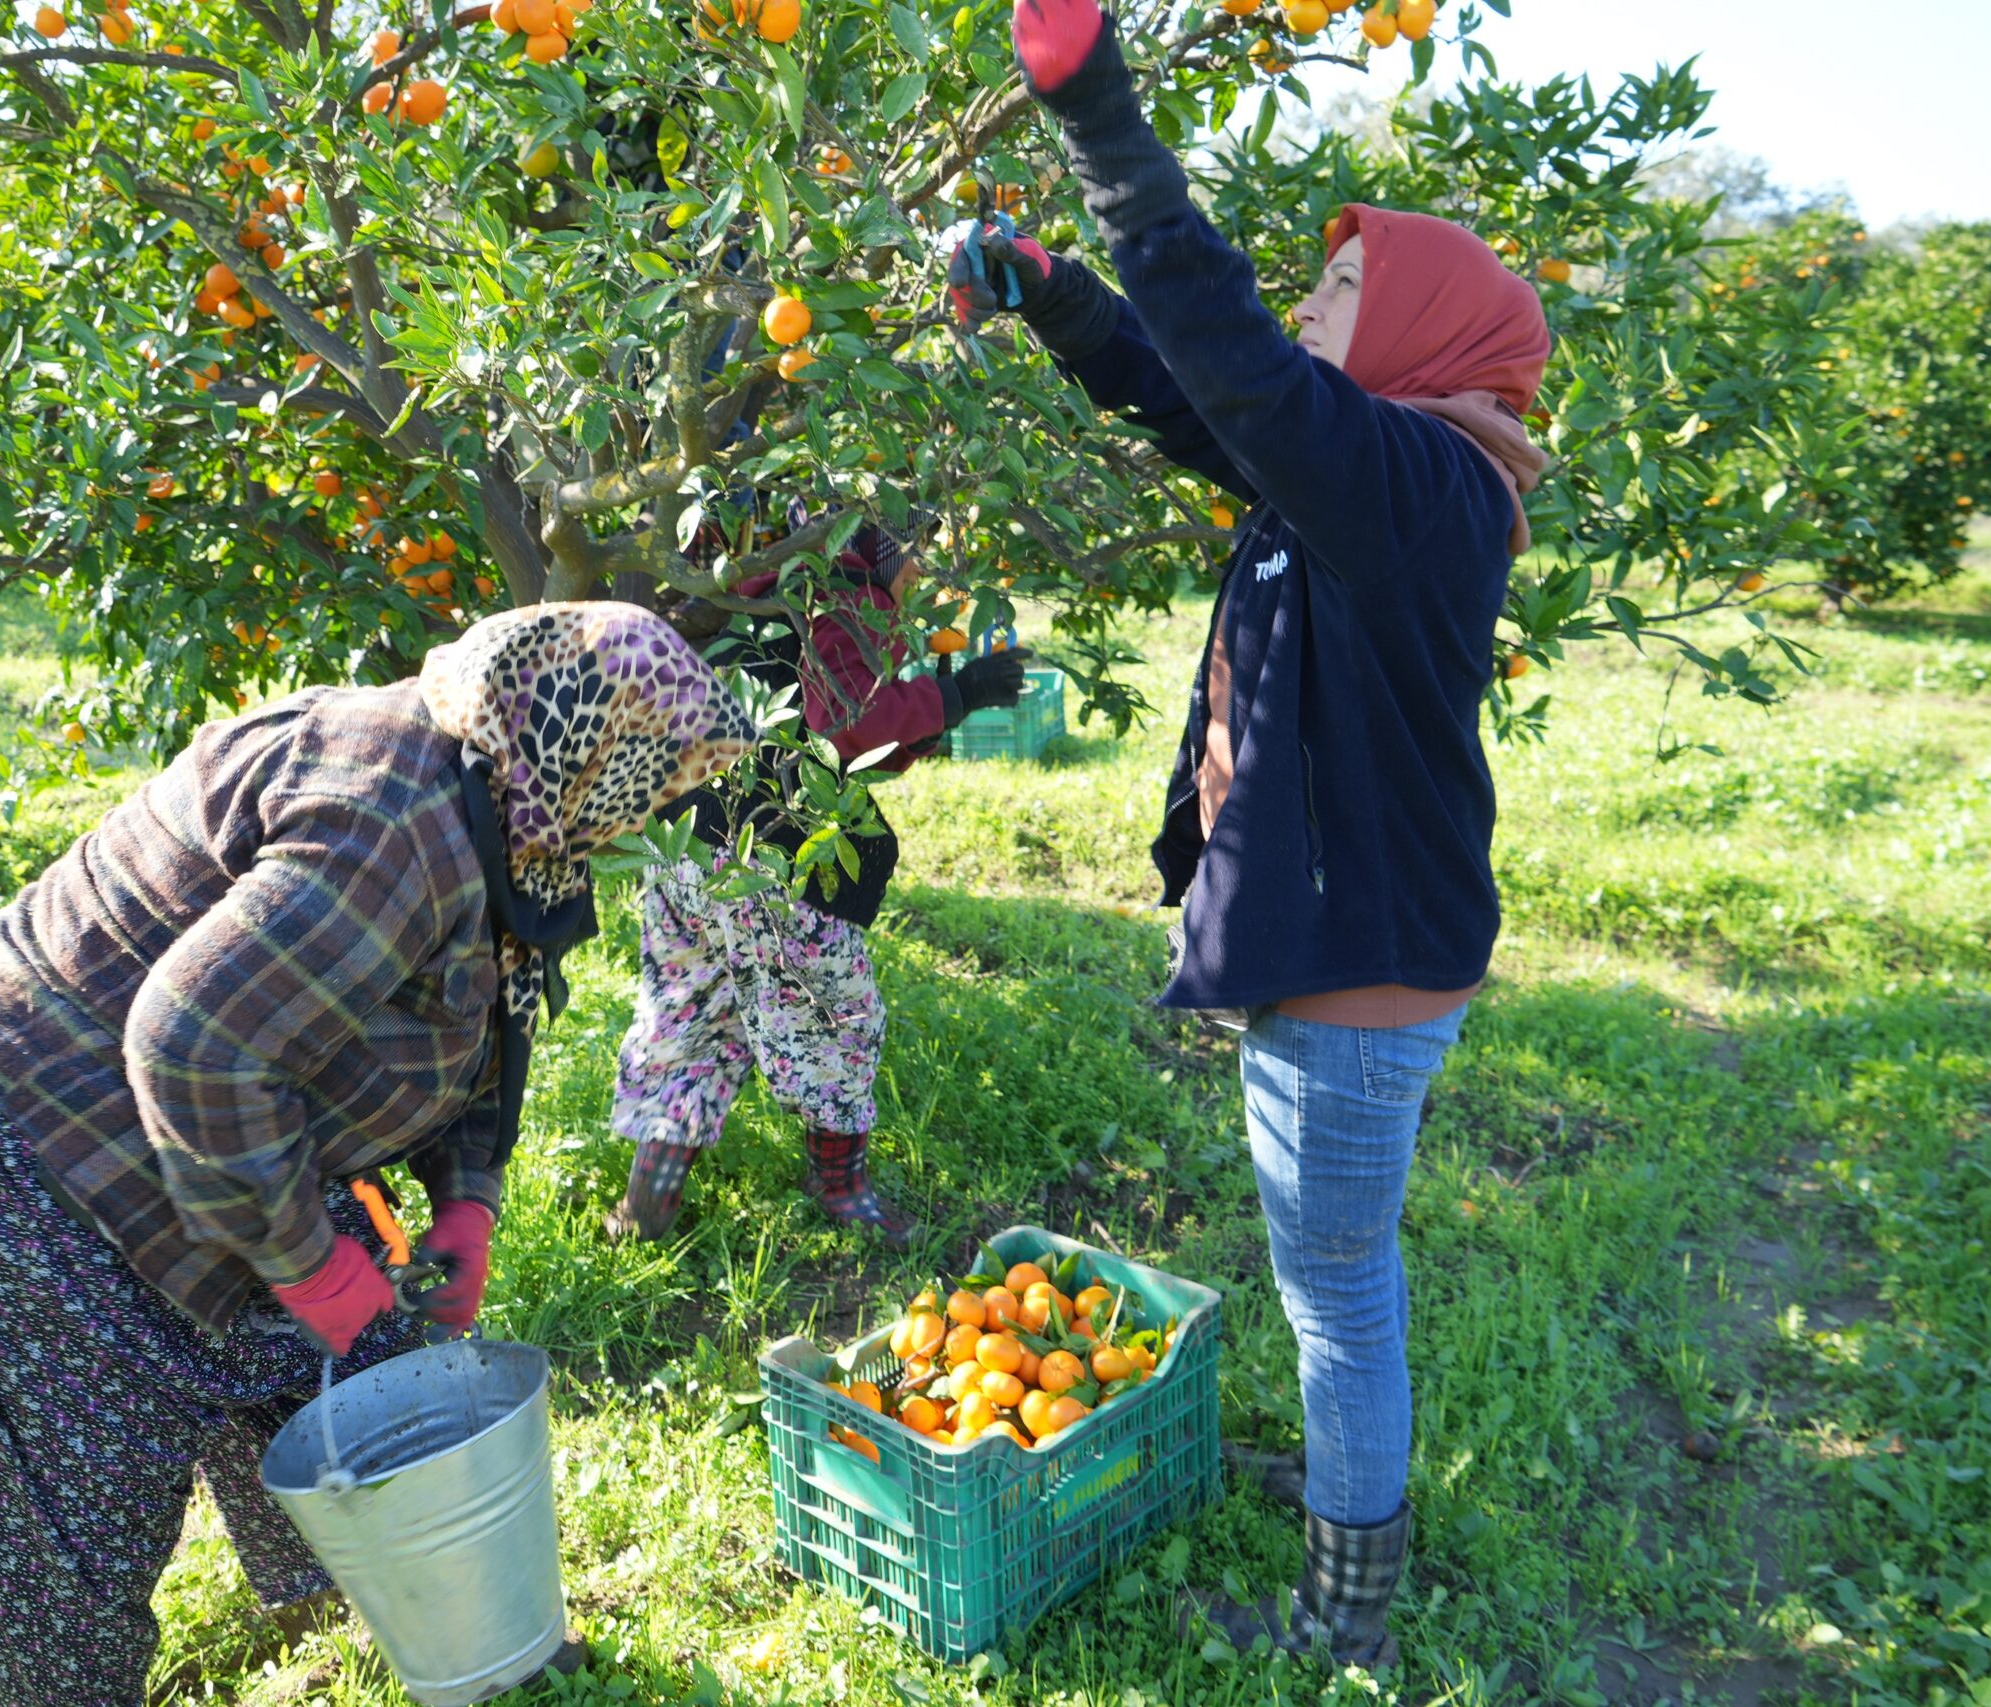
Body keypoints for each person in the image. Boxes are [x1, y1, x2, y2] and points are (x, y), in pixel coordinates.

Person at [948, 0, 1554, 1668]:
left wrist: (1101, 117)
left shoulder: (1422, 488)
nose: (1305, 312)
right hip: (1344, 942)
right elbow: (1191, 391)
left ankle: (1349, 1609)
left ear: (1423, 332)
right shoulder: (1370, 475)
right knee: (1332, 1287)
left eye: (1341, 294)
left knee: (1341, 1302)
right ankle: (1352, 1512)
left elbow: (1226, 348)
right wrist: (1059, 299)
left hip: (1357, 978)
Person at [0, 604, 753, 1706]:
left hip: (230, 1115)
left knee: (379, 1377)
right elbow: (191, 1054)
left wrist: (465, 1200)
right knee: (74, 1500)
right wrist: (312, 1269)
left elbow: (486, 1022)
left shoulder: (517, 802)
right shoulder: (397, 822)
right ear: (593, 756)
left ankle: (479, 1649)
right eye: (652, 789)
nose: (648, 824)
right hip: (32, 1120)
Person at [604, 521, 1029, 1247]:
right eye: (922, 557)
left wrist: (939, 702)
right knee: (834, 1012)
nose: (925, 580)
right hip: (766, 856)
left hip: (682, 840)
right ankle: (842, 1189)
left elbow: (837, 727)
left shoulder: (765, 588)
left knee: (693, 1011)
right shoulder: (845, 600)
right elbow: (848, 722)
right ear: (890, 550)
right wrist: (956, 696)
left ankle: (646, 1206)